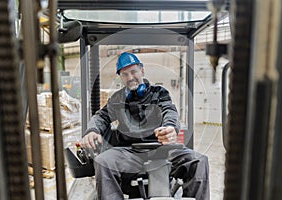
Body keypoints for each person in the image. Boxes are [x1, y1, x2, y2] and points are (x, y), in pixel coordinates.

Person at [81, 52, 210, 200]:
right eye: (125, 74)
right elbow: (101, 116)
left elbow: (169, 111)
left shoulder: (159, 93)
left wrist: (170, 127)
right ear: (120, 77)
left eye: (133, 71)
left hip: (162, 149)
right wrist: (92, 130)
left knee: (199, 161)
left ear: (142, 70)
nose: (130, 77)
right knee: (103, 162)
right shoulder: (118, 99)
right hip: (130, 152)